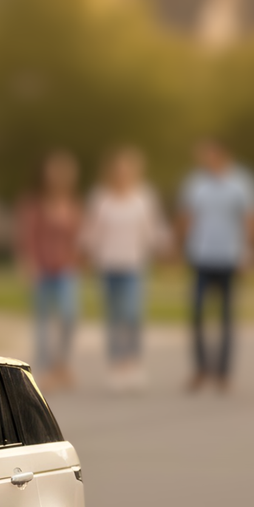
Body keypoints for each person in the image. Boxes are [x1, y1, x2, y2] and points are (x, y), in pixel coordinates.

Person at [176, 139, 254, 392]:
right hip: (200, 254)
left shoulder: (243, 182)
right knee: (197, 314)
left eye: (208, 155)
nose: (204, 160)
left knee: (226, 316)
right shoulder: (195, 183)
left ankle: (224, 373)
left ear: (221, 155)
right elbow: (185, 216)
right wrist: (178, 248)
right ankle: (201, 369)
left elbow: (253, 217)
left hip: (229, 256)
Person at [82, 147, 170, 390]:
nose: (123, 173)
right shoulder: (101, 198)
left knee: (132, 316)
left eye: (127, 169)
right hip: (108, 265)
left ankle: (132, 363)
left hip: (134, 265)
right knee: (113, 318)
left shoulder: (144, 197)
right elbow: (92, 231)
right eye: (118, 169)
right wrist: (86, 254)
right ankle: (116, 365)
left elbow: (152, 228)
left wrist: (164, 251)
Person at [16, 151, 83, 389]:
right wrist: (28, 264)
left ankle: (62, 365)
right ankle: (45, 369)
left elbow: (78, 238)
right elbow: (27, 237)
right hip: (42, 270)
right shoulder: (34, 204)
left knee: (68, 316)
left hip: (66, 270)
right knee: (43, 323)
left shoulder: (73, 205)